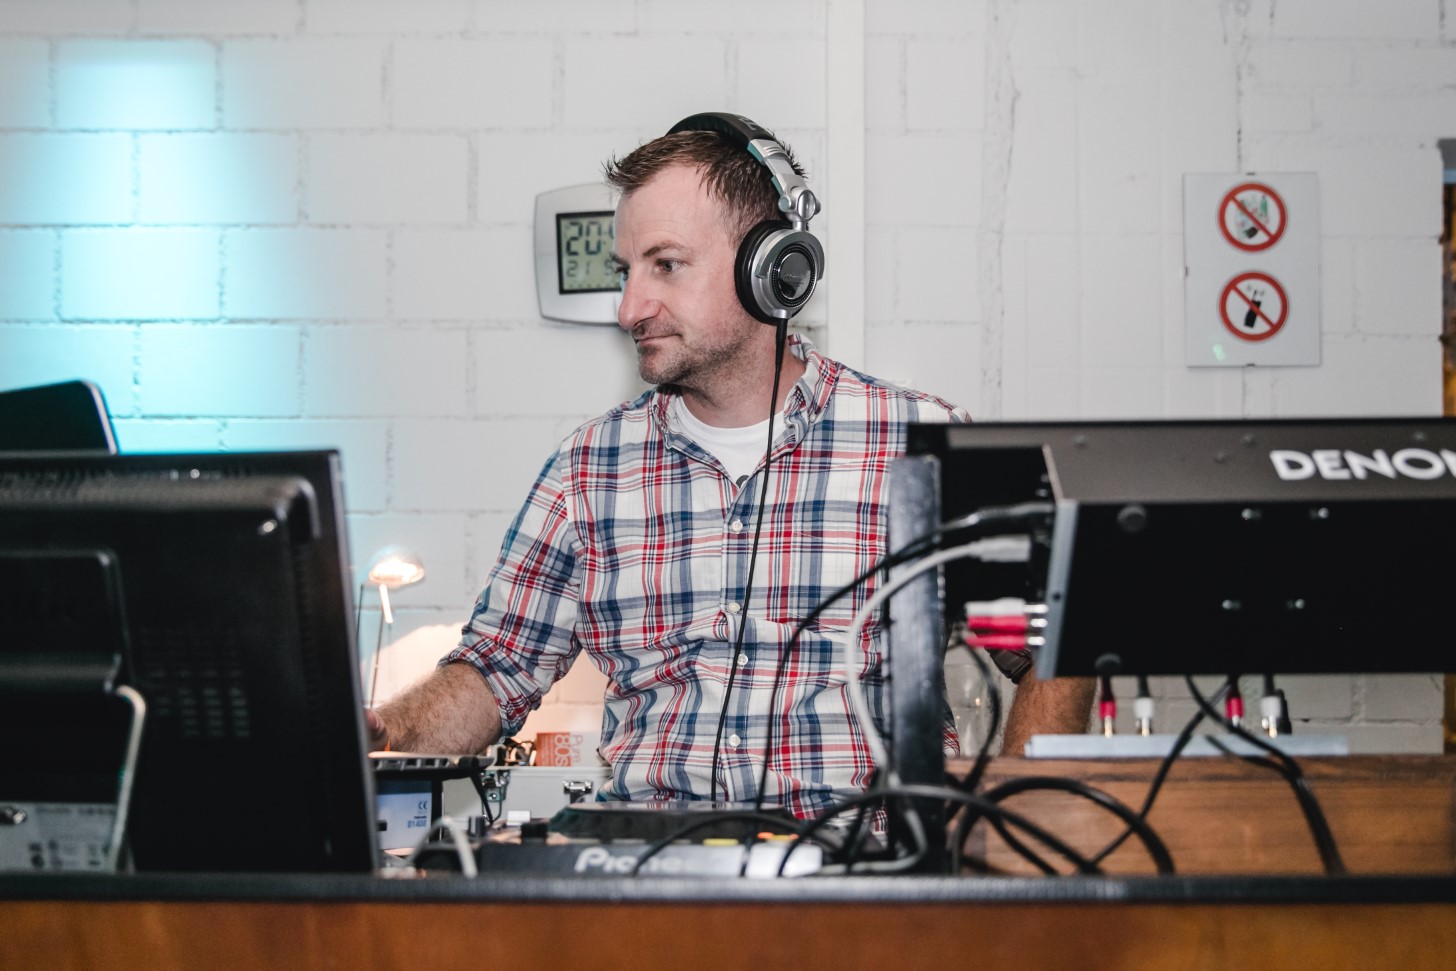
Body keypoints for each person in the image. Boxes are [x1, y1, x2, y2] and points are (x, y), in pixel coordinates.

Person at [368, 115, 1093, 818]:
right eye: (627, 271)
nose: (629, 307)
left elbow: (1053, 650)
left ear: (772, 268)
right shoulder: (587, 469)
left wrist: (1014, 826)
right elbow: (494, 671)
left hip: (862, 875)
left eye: (666, 265)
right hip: (654, 871)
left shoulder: (920, 441)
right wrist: (377, 734)